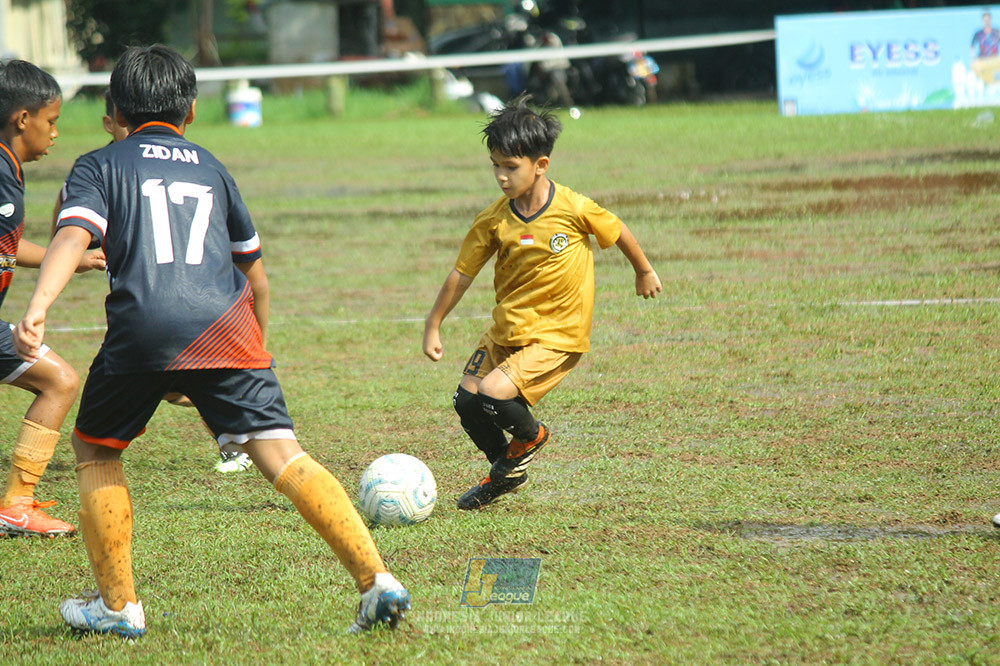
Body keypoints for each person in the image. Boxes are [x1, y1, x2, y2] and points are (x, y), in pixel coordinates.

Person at [14, 44, 409, 638]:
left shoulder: (100, 164)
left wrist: (39, 304)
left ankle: (118, 607)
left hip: (143, 328)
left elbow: (73, 236)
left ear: (114, 109)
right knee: (281, 453)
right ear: (192, 111)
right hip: (226, 329)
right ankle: (377, 580)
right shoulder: (212, 167)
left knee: (97, 449)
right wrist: (256, 349)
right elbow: (256, 275)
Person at [422, 94, 661, 510]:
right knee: (467, 402)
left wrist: (643, 270)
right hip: (508, 329)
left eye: (510, 167)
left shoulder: (572, 208)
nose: (500, 176)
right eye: (495, 165)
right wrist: (433, 324)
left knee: (494, 394)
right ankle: (504, 471)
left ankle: (531, 437)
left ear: (540, 165)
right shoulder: (494, 219)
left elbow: (617, 228)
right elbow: (461, 275)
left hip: (557, 333)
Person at [50, 91, 250, 474]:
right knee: (182, 383)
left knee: (183, 379)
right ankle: (236, 437)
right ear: (112, 123)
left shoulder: (119, 166)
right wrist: (78, 254)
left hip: (166, 302)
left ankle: (234, 441)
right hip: (150, 306)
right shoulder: (101, 171)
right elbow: (67, 233)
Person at [0, 59, 106, 538]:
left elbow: (6, 243)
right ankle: (16, 504)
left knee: (59, 380)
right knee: (60, 381)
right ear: (24, 119)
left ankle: (16, 506)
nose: (55, 133)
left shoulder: (8, 167)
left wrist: (69, 259)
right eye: (52, 120)